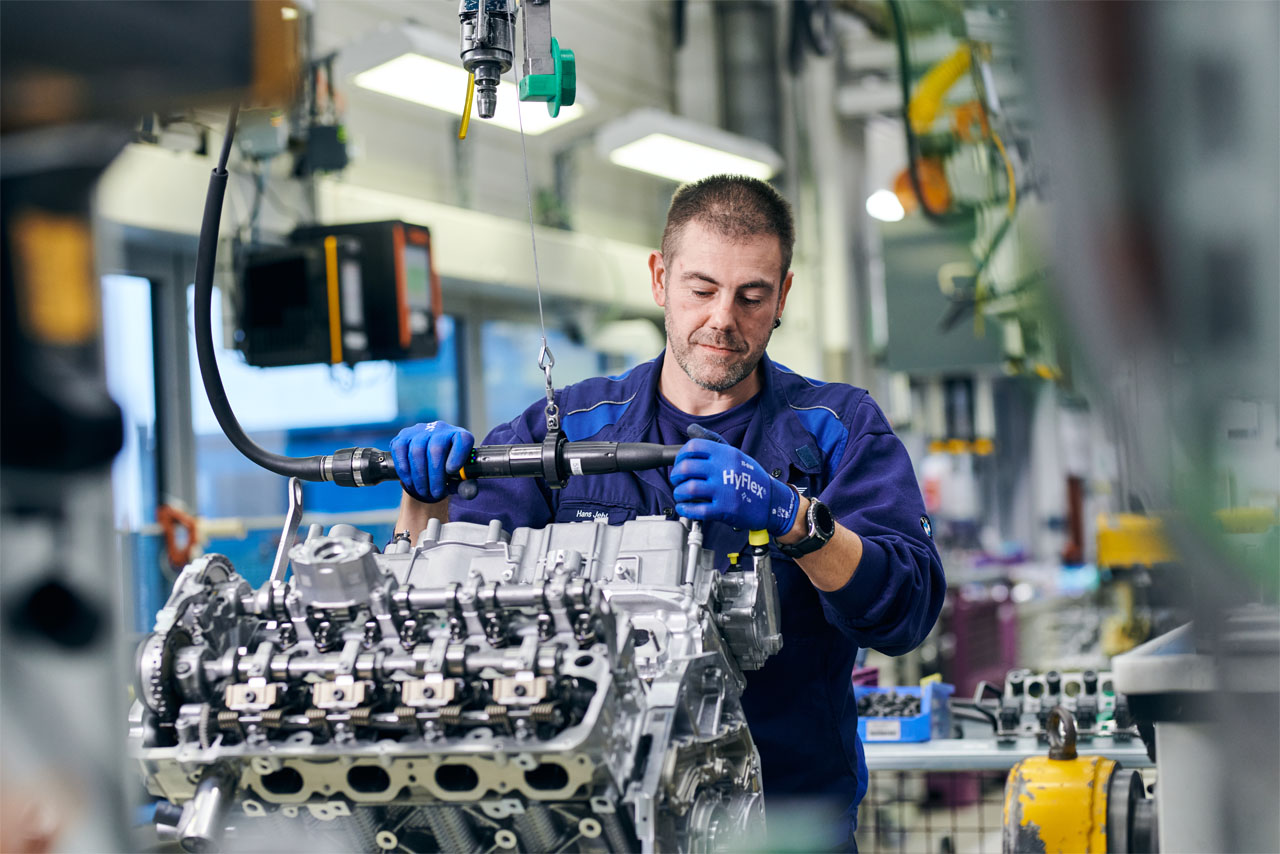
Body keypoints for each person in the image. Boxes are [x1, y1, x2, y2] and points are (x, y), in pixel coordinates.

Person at [391, 175, 945, 849]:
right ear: (660, 279)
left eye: (751, 295)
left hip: (786, 826)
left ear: (783, 298)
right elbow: (429, 611)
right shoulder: (565, 431)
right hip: (596, 823)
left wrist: (794, 517)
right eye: (702, 289)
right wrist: (424, 498)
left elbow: (904, 610)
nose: (723, 318)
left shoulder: (837, 427)